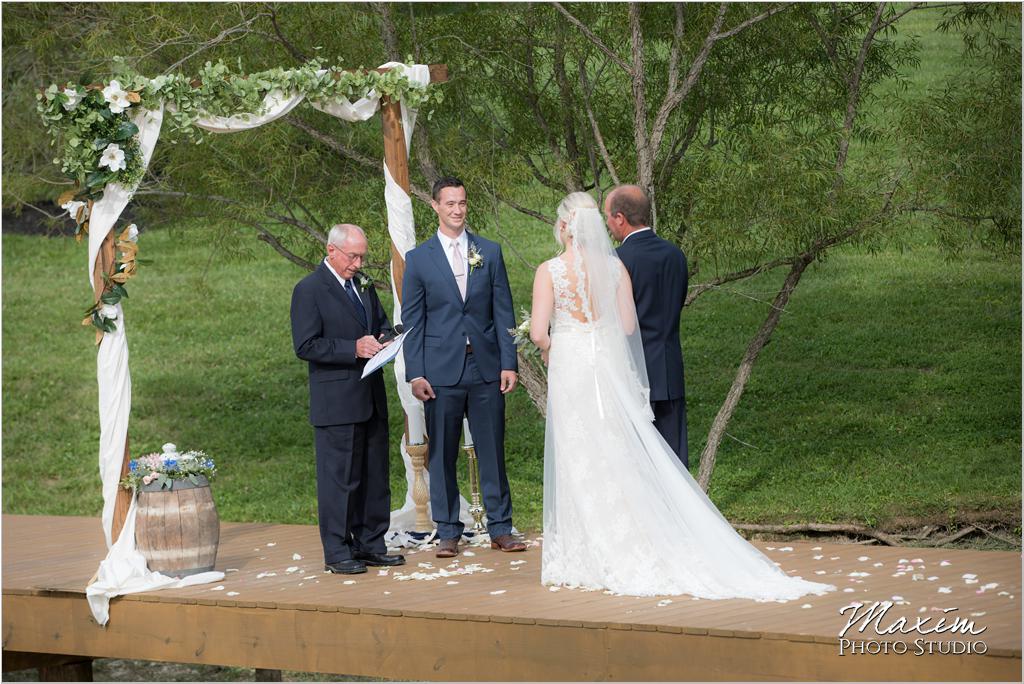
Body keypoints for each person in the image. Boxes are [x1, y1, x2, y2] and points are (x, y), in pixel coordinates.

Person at [530, 192, 833, 600]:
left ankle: (584, 552)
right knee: (618, 454)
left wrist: (553, 347)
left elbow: (537, 333)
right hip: (613, 367)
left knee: (579, 455)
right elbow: (625, 326)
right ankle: (636, 540)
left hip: (572, 369)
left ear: (565, 226)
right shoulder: (619, 266)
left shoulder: (550, 270)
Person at [401, 177, 526, 558]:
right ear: (435, 207)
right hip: (440, 371)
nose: (457, 210)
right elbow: (413, 321)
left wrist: (509, 361)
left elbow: (503, 310)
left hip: (485, 366)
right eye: (450, 203)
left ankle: (500, 527)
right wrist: (416, 373)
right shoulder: (419, 259)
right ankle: (449, 530)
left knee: (492, 450)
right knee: (441, 454)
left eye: (462, 203)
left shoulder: (488, 251)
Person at [290, 224, 405, 575]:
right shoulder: (309, 290)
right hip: (336, 400)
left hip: (370, 395)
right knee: (340, 480)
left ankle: (371, 543)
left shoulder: (363, 286)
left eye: (362, 256)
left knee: (374, 475)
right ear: (331, 250)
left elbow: (382, 324)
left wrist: (388, 338)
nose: (358, 263)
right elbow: (306, 345)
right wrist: (352, 348)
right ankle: (338, 550)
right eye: (353, 256)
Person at [605, 185, 690, 466]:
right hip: (670, 368)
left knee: (641, 463)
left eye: (608, 217)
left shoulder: (617, 261)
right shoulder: (675, 255)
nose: (607, 224)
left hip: (635, 373)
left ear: (620, 218)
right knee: (675, 460)